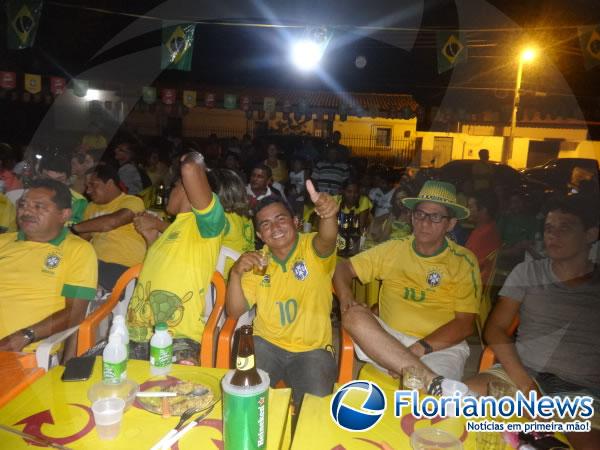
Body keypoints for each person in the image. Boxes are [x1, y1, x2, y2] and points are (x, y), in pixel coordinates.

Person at [465, 194, 600, 449]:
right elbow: (494, 329)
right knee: (456, 407)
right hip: (520, 374)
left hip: (580, 391)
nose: (553, 235)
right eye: (549, 228)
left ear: (591, 234)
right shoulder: (528, 272)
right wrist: (528, 388)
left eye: (565, 228)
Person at [335, 180, 481, 387]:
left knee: (429, 408)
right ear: (412, 217)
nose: (425, 222)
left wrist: (415, 351)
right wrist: (346, 299)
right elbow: (343, 268)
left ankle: (423, 378)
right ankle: (430, 380)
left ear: (451, 223)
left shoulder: (463, 261)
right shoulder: (394, 249)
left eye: (436, 216)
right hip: (387, 341)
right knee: (353, 315)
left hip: (440, 348)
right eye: (420, 214)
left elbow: (465, 324)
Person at [226, 181, 339, 409]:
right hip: (266, 344)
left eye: (280, 219)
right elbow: (235, 311)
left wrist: (328, 214)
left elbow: (327, 238)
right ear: (260, 234)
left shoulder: (313, 249)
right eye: (265, 224)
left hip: (312, 350)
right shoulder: (258, 262)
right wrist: (236, 273)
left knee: (313, 414)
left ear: (295, 222)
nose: (274, 227)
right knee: (243, 399)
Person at [127, 152, 225, 365]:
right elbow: (157, 269)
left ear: (187, 188)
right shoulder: (174, 229)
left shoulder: (207, 226)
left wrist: (189, 157)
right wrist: (150, 237)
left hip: (177, 337)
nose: (169, 192)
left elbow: (191, 169)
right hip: (137, 332)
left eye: (174, 186)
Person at [0, 179, 97, 360]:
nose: (26, 211)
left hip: (23, 352)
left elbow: (75, 313)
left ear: (64, 215)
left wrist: (25, 336)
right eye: (23, 205)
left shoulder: (77, 250)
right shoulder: (4, 242)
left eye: (39, 207)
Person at [134, 168, 254, 280]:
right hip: (240, 277)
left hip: (219, 280)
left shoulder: (222, 217)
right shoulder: (244, 217)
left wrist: (156, 224)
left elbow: (189, 235)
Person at [72, 165, 146, 290]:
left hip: (125, 267)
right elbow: (83, 238)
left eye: (93, 185)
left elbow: (112, 222)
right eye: (87, 186)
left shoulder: (132, 201)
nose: (88, 191)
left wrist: (74, 228)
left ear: (110, 183)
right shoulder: (91, 207)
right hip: (97, 266)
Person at [464, 189, 502, 285]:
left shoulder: (485, 235)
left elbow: (469, 266)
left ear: (483, 210)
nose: (467, 209)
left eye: (470, 207)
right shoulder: (488, 229)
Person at [39, 154, 88, 226]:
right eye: (48, 179)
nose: (53, 184)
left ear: (67, 179)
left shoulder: (79, 201)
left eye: (59, 180)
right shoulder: (27, 196)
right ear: (39, 175)